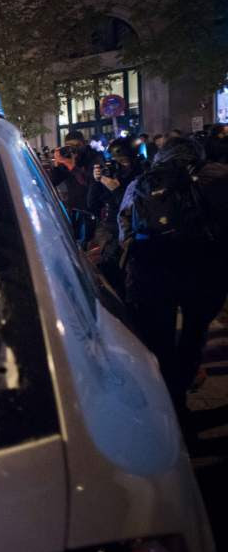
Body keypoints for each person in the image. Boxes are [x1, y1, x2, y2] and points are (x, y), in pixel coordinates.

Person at [117, 138, 228, 433]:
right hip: (202, 270)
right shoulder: (217, 175)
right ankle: (182, 390)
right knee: (194, 334)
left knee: (159, 344)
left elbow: (123, 227)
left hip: (151, 273)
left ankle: (168, 411)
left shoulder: (141, 182)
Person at [86, 138, 141, 296]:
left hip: (131, 234)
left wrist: (117, 190)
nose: (119, 166)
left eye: (123, 162)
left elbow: (132, 209)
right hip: (110, 231)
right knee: (109, 274)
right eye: (115, 162)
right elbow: (92, 204)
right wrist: (97, 181)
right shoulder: (110, 176)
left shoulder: (139, 178)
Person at [49, 130, 101, 212]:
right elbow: (53, 182)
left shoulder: (93, 157)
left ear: (84, 144)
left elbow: (90, 182)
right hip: (75, 209)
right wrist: (57, 164)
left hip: (94, 209)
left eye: (77, 145)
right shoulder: (67, 158)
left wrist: (72, 167)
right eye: (70, 146)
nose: (74, 149)